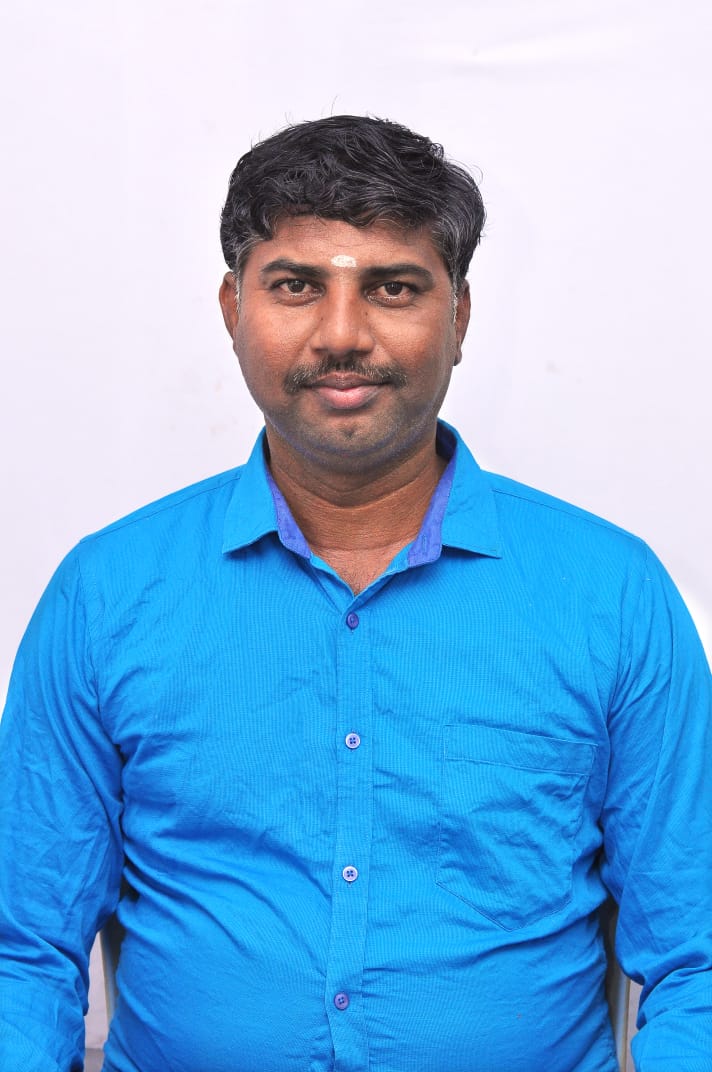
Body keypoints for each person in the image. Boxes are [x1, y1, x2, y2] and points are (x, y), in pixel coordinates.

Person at [0, 116, 710, 1072]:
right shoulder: (107, 592)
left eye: (393, 288)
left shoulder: (611, 594)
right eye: (296, 286)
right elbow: (22, 953)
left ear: (459, 317)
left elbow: (699, 961)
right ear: (232, 308)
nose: (342, 335)